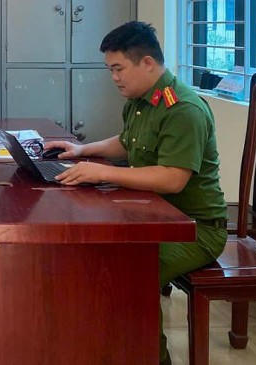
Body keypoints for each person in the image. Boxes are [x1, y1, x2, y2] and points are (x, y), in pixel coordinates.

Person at [45, 21, 227, 365]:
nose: (114, 78)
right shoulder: (141, 100)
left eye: (119, 68)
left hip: (194, 228)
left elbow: (173, 179)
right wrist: (81, 150)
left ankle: (150, 357)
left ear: (147, 63)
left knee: (128, 271)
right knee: (93, 257)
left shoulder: (183, 110)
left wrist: (103, 172)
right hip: (152, 215)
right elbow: (128, 142)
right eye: (110, 70)